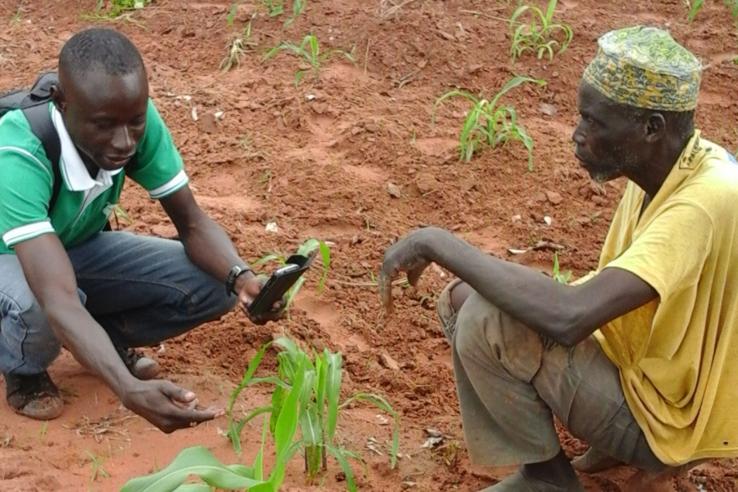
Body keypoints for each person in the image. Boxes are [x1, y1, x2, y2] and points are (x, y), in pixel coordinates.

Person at [380, 26, 738, 491]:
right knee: (464, 297)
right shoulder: (682, 165)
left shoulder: (700, 203)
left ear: (652, 127)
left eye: (594, 122)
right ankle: (605, 448)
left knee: (488, 320)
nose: (578, 135)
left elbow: (572, 316)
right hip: (662, 382)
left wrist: (436, 242)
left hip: (673, 421)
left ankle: (547, 479)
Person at [0, 28, 280, 433]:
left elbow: (192, 222)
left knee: (215, 281)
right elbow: (56, 294)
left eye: (135, 122)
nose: (124, 142)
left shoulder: (132, 120)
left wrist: (243, 278)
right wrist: (127, 389)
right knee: (41, 306)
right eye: (104, 125)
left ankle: (100, 343)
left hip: (72, 247)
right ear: (62, 103)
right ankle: (23, 368)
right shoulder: (20, 151)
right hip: (12, 258)